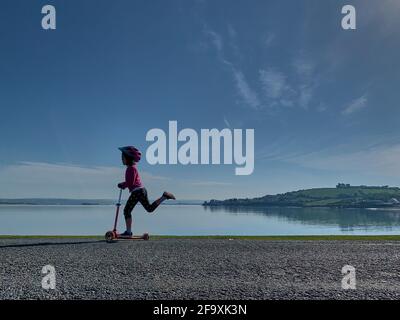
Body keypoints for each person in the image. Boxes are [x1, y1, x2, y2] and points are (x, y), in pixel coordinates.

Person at [117, 146, 176, 236]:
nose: (121, 159)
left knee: (126, 211)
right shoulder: (131, 168)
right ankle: (164, 197)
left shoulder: (131, 169)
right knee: (149, 208)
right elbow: (131, 182)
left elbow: (131, 182)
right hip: (141, 191)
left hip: (137, 191)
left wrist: (123, 184)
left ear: (128, 158)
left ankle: (128, 232)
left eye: (123, 157)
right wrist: (124, 184)